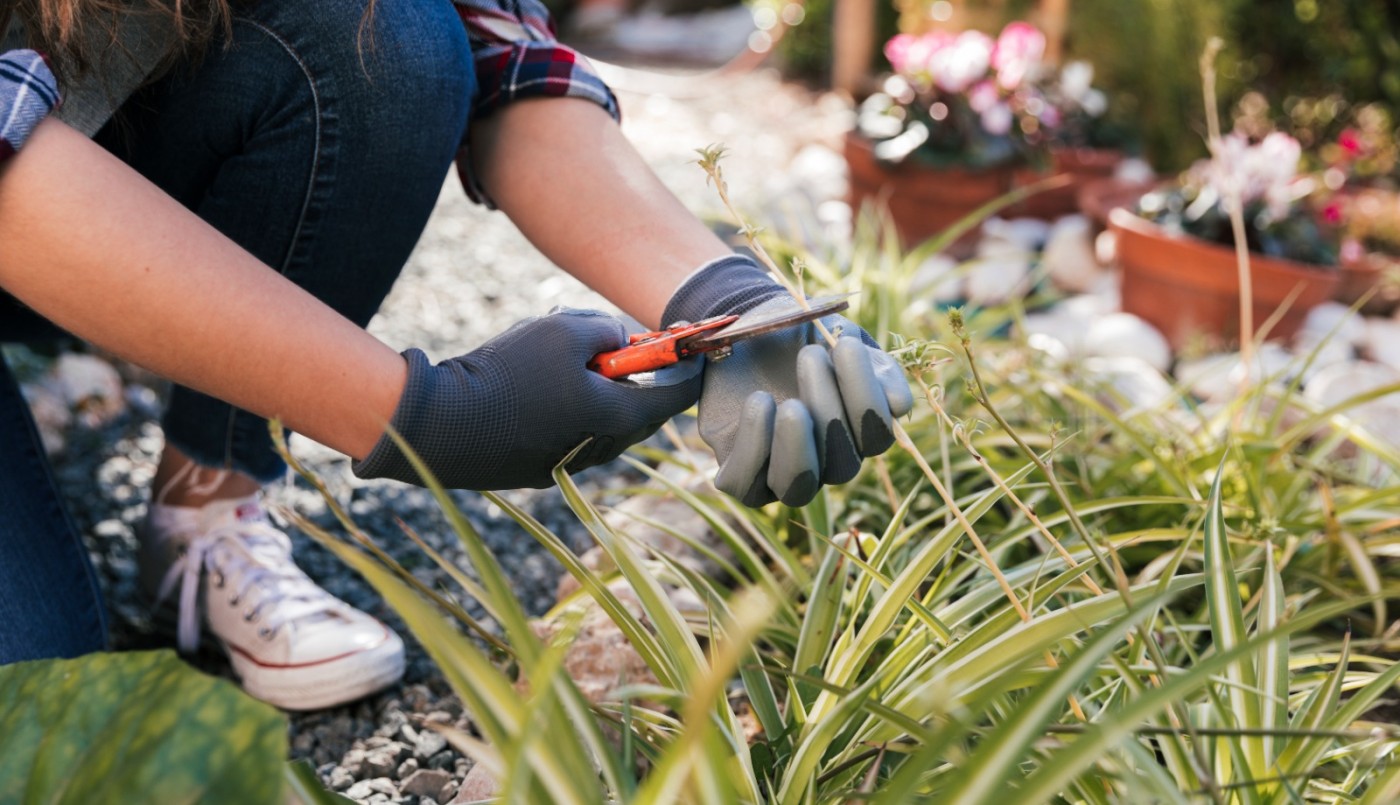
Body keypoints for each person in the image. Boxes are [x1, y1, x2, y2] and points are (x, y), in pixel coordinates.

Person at [0, 0, 912, 711]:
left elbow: (502, 59)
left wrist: (721, 297)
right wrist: (429, 417)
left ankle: (207, 505)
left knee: (386, 39)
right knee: (26, 711)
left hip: (86, 175)